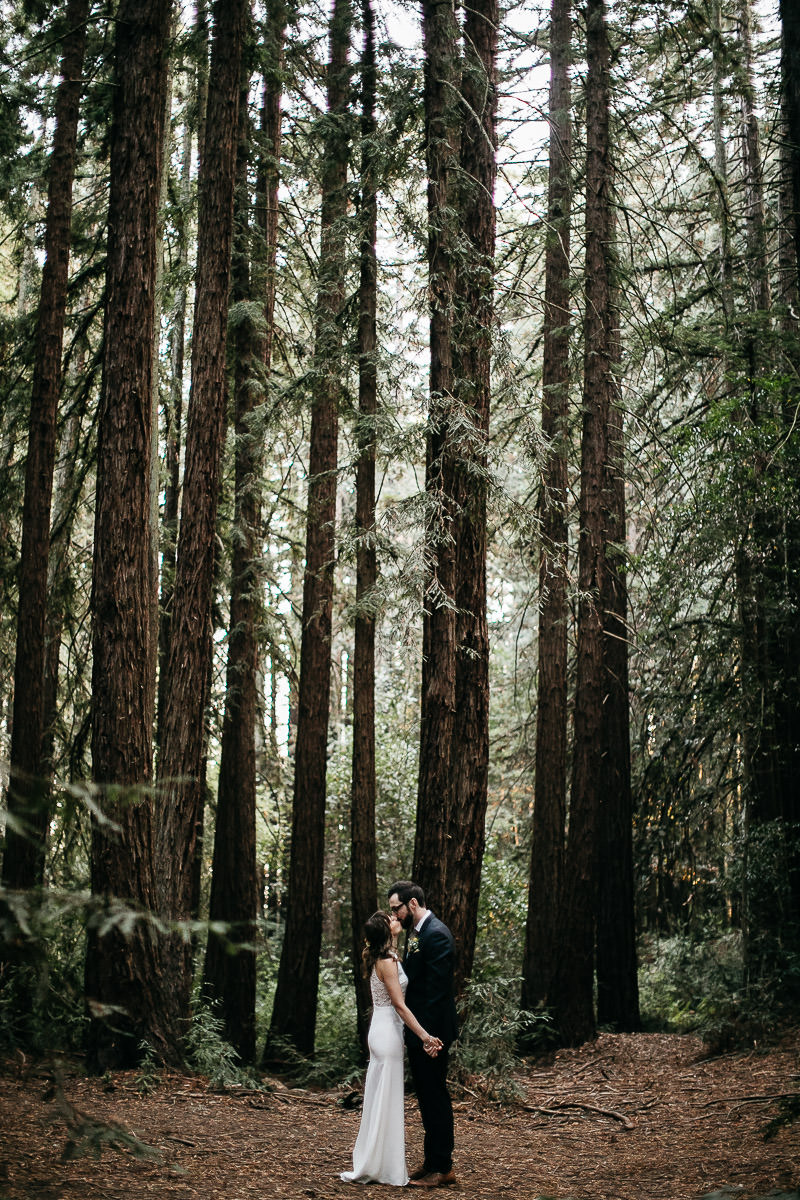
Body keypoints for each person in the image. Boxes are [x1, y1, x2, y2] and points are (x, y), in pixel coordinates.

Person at [341, 910, 442, 1187]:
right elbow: (399, 1004)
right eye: (392, 920)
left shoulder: (388, 958)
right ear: (386, 932)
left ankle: (380, 1161)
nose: (398, 920)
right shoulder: (385, 962)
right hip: (387, 1031)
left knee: (384, 1097)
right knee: (386, 1098)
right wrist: (424, 1036)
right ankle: (381, 1166)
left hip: (385, 1028)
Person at [387, 880, 459, 1190]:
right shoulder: (419, 934)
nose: (395, 914)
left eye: (396, 908)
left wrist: (427, 1037)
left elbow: (437, 993)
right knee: (427, 1098)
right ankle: (431, 1162)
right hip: (421, 1031)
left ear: (412, 904)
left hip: (433, 1033)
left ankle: (443, 1167)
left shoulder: (437, 935)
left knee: (436, 1097)